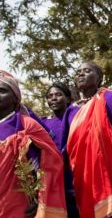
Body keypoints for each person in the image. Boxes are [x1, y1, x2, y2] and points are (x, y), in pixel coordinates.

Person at [0, 70, 67, 217]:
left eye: (2, 91)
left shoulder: (27, 125)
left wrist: (40, 199)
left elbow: (52, 161)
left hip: (19, 203)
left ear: (15, 97)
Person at [66, 62, 112, 218]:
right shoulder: (71, 110)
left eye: (87, 71)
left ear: (99, 78)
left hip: (111, 169)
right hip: (81, 174)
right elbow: (65, 146)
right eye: (78, 72)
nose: (81, 74)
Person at [42, 82, 73, 150]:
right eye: (50, 96)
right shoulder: (42, 122)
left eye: (58, 95)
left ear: (68, 99)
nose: (53, 98)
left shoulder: (74, 119)